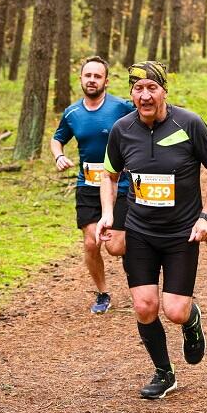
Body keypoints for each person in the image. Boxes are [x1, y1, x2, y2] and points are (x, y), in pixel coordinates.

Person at [97, 61, 207, 400]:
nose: (145, 95)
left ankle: (191, 319)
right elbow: (108, 175)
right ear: (131, 94)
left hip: (182, 233)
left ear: (164, 91)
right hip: (140, 231)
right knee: (144, 306)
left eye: (151, 88)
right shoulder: (122, 129)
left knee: (175, 311)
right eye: (138, 89)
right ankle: (163, 372)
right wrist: (108, 214)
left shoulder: (189, 124)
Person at [50, 56, 135, 314]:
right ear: (81, 79)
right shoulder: (72, 113)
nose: (92, 80)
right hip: (87, 185)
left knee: (116, 247)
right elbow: (57, 139)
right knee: (90, 243)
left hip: (119, 185)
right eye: (88, 76)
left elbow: (146, 123)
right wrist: (59, 155)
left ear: (106, 81)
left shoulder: (122, 107)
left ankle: (142, 267)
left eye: (97, 76)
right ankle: (102, 293)